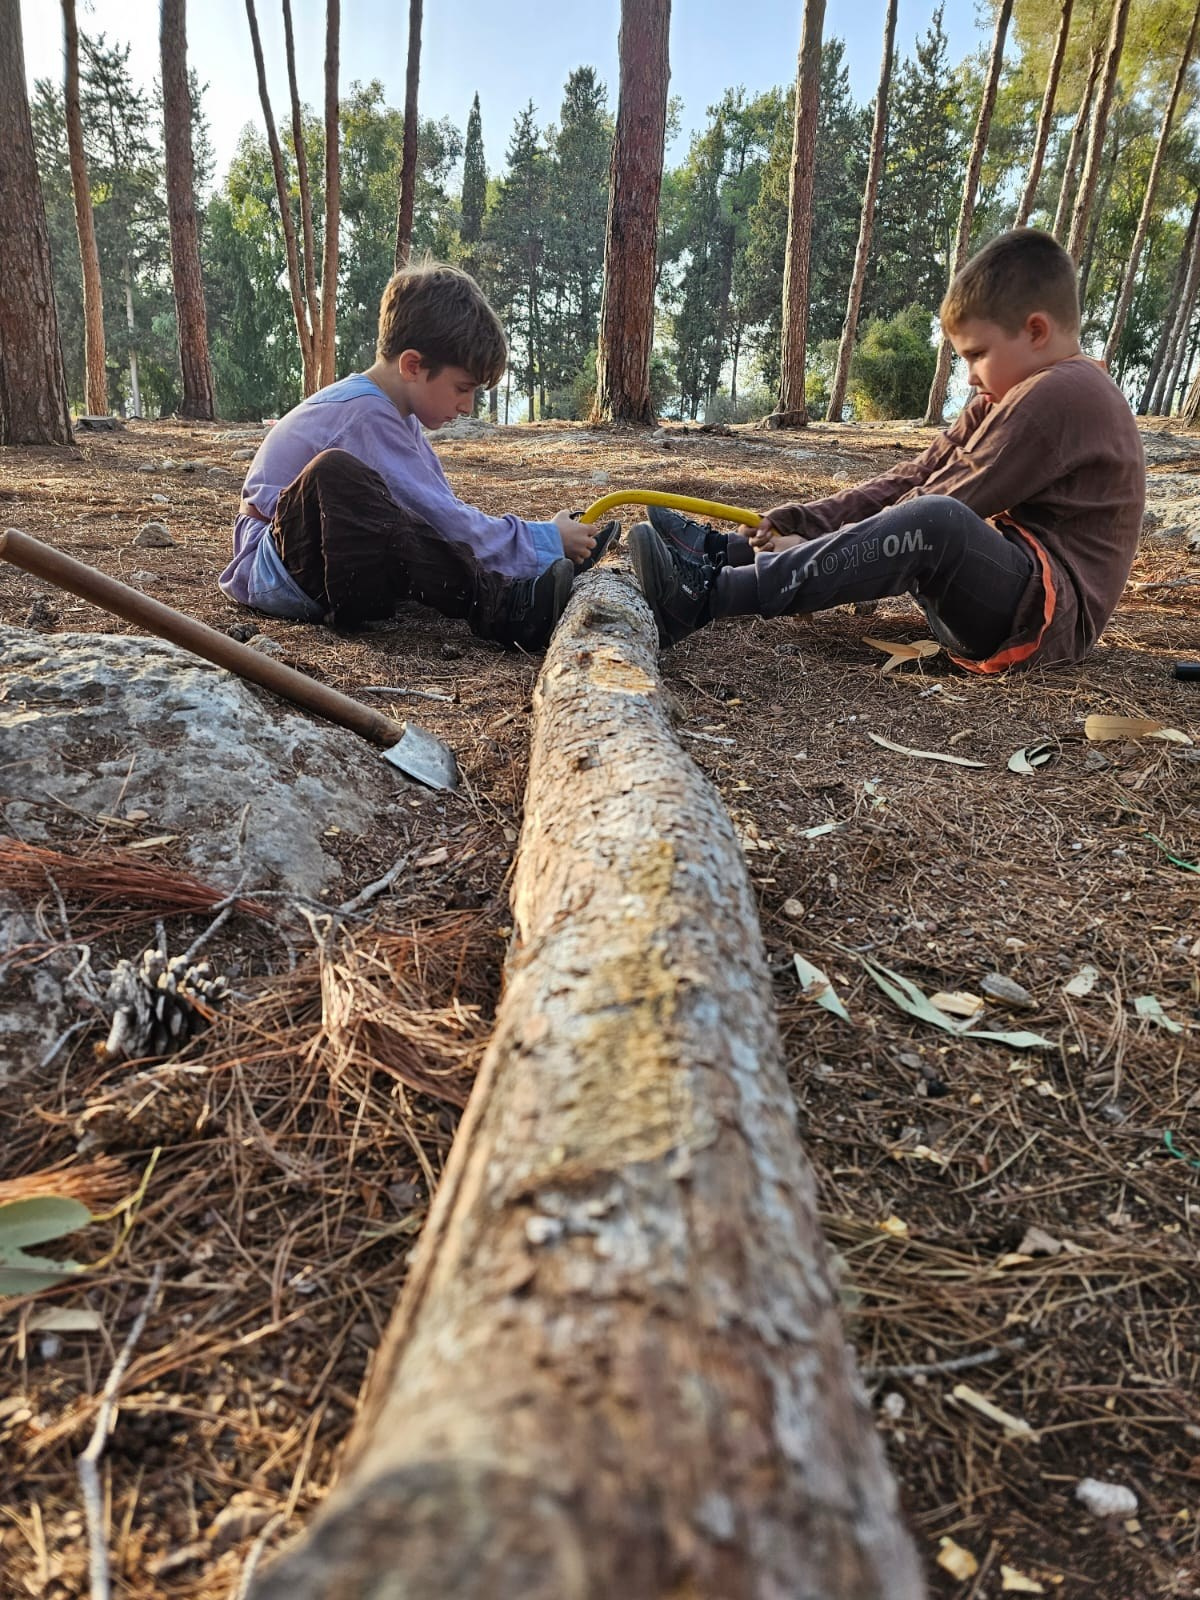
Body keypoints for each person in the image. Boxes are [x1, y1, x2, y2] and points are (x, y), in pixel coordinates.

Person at [629, 229, 1146, 673]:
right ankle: (720, 553)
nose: (969, 376)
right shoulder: (1003, 397)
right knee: (926, 507)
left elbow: (954, 498)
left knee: (939, 518)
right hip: (1002, 589)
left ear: (1036, 331)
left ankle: (705, 597)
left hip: (1043, 620)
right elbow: (916, 476)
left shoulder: (1064, 393)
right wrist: (803, 522)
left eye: (978, 354)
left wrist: (813, 551)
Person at [218, 260, 617, 649]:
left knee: (403, 517)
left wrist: (544, 546)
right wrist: (544, 540)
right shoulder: (365, 414)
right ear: (412, 365)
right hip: (274, 570)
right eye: (463, 388)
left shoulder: (397, 413)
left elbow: (440, 509)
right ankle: (504, 606)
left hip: (322, 565)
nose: (467, 406)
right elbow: (441, 518)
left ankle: (532, 578)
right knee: (334, 472)